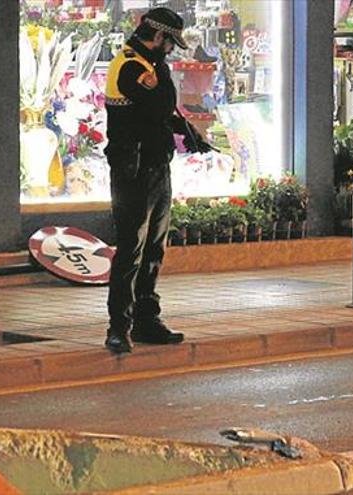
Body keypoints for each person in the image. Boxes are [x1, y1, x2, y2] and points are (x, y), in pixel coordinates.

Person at [103, 7, 213, 353]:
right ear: (159, 35)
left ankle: (147, 322)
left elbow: (163, 111)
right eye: (170, 42)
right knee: (130, 251)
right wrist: (171, 118)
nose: (171, 49)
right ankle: (118, 327)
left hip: (156, 166)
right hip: (132, 171)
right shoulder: (130, 65)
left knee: (153, 250)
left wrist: (186, 129)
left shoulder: (151, 64)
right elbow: (155, 109)